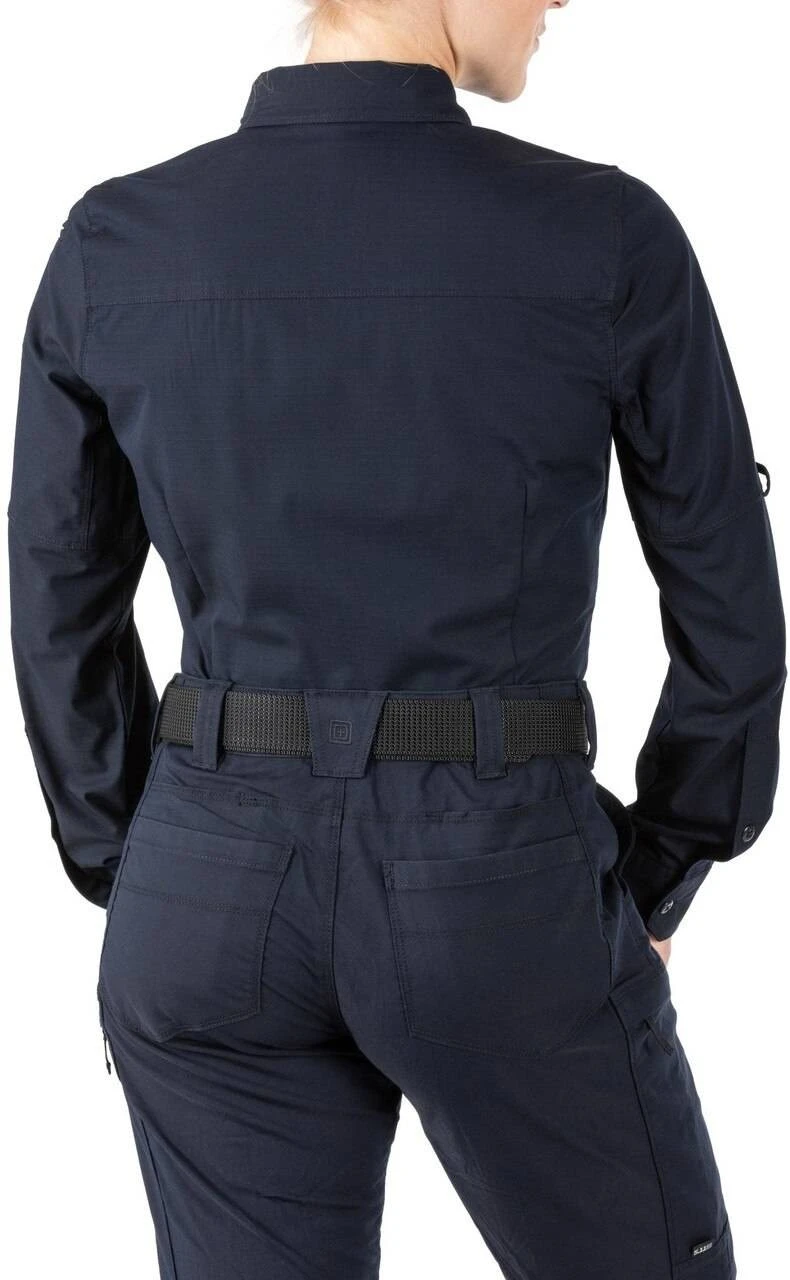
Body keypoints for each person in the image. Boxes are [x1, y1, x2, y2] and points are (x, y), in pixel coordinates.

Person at [7, 1, 784, 1277]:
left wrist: (134, 853)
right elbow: (729, 607)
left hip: (205, 887)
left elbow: (57, 583)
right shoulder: (602, 235)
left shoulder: (117, 240)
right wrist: (662, 864)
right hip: (496, 876)